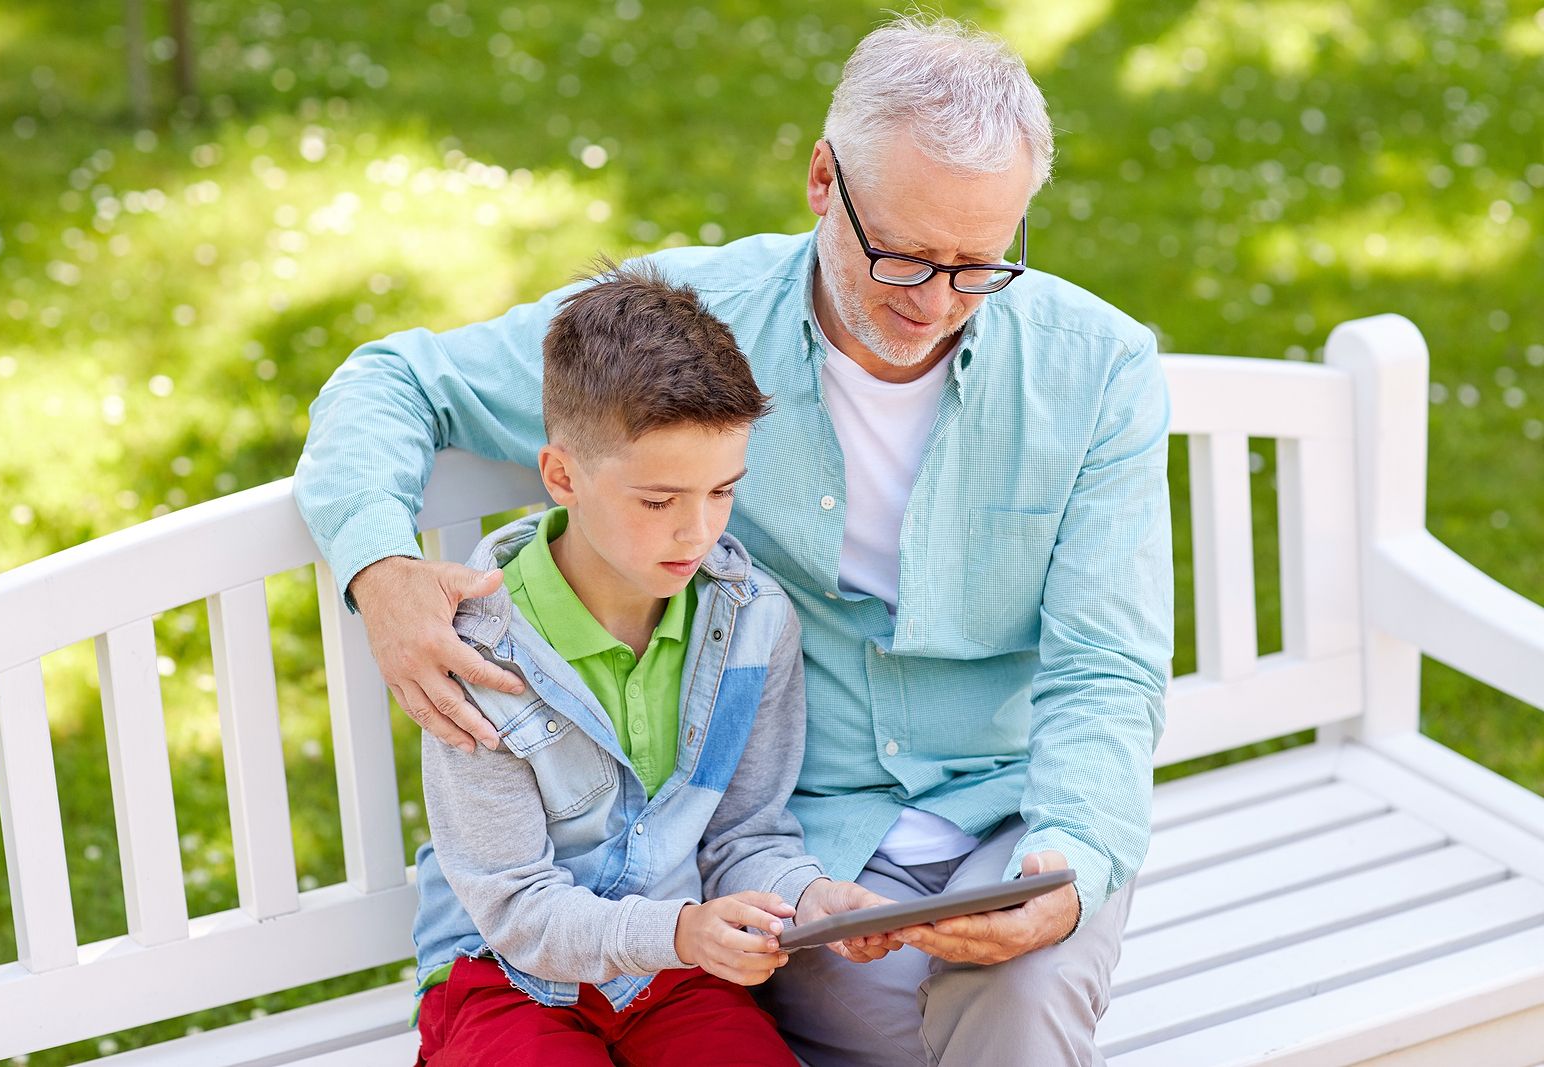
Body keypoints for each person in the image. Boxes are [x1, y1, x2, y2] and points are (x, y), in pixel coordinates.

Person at [297, 15, 1171, 1066]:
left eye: (977, 264)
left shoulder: (1100, 369)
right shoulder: (684, 335)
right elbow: (393, 379)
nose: (936, 303)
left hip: (1014, 813)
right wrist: (381, 572)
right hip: (792, 848)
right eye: (900, 255)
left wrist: (1070, 860)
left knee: (1021, 1012)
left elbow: (1106, 666)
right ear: (820, 180)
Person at [410, 261, 887, 1066]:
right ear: (562, 476)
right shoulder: (476, 651)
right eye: (658, 501)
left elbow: (745, 833)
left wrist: (812, 896)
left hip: (672, 970)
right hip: (506, 975)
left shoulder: (750, 622)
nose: (695, 534)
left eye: (722, 492)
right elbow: (517, 906)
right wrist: (678, 931)